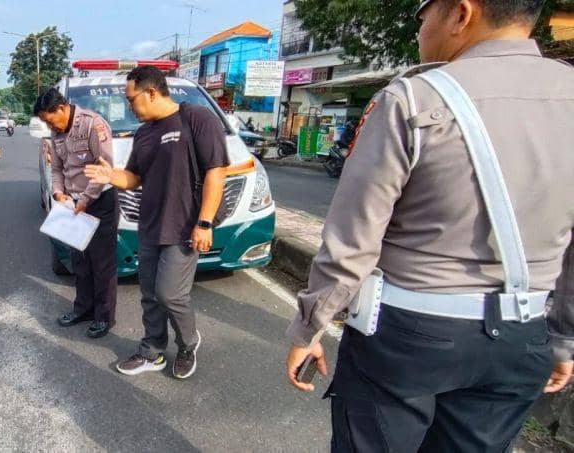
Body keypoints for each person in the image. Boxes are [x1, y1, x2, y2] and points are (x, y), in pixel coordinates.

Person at [283, 0, 574, 451]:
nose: (419, 29)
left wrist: (310, 326)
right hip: (523, 333)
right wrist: (563, 338)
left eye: (423, 16)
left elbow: (353, 241)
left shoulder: (413, 97)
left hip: (408, 333)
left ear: (461, 13)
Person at [85, 65, 228, 379]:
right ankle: (153, 351)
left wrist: (204, 223)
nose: (129, 106)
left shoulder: (197, 119)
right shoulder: (144, 133)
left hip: (185, 225)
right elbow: (134, 177)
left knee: (170, 293)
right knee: (149, 293)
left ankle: (188, 344)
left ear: (150, 92)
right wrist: (112, 176)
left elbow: (216, 172)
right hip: (150, 224)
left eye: (130, 99)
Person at [34, 88, 117, 338]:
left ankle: (104, 317)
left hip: (99, 201)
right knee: (79, 260)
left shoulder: (93, 125)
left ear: (60, 108)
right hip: (72, 204)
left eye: (49, 119)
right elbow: (57, 168)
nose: (50, 125)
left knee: (101, 263)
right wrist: (59, 194)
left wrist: (86, 200)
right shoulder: (56, 132)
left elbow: (106, 168)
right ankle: (83, 308)